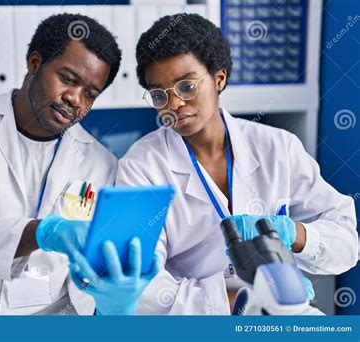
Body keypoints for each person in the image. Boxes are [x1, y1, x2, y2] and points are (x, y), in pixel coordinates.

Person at [0, 13, 157, 315]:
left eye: (90, 94)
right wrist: (39, 233)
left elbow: (93, 272)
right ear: (35, 63)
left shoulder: (101, 163)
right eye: (67, 79)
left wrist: (112, 298)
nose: (75, 99)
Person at [116, 13, 358, 315]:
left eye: (187, 87)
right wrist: (241, 299)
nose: (174, 104)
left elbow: (347, 245)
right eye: (159, 95)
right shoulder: (141, 166)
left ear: (219, 78)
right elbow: (141, 286)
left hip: (283, 310)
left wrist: (294, 234)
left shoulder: (277, 147)